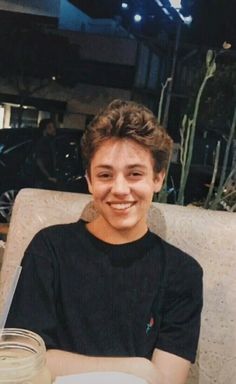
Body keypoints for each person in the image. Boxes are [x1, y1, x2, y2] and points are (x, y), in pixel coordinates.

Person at [6, 100, 203, 384]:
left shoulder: (182, 273)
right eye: (105, 175)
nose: (120, 189)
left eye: (135, 173)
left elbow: (166, 381)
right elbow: (22, 358)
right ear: (89, 180)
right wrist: (137, 368)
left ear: (158, 178)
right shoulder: (50, 248)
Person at [34, 118, 57, 189]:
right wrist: (48, 177)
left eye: (53, 127)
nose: (53, 129)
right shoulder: (43, 142)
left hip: (46, 179)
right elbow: (39, 161)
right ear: (44, 130)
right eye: (50, 127)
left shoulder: (49, 142)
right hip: (43, 180)